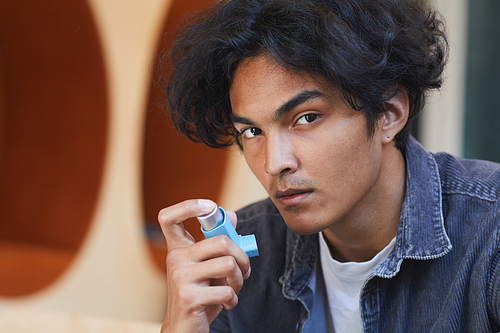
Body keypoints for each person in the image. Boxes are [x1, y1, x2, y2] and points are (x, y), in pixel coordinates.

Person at [156, 0, 500, 332]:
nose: (275, 163)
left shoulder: (490, 233)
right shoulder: (238, 263)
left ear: (389, 112)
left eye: (306, 118)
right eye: (252, 131)